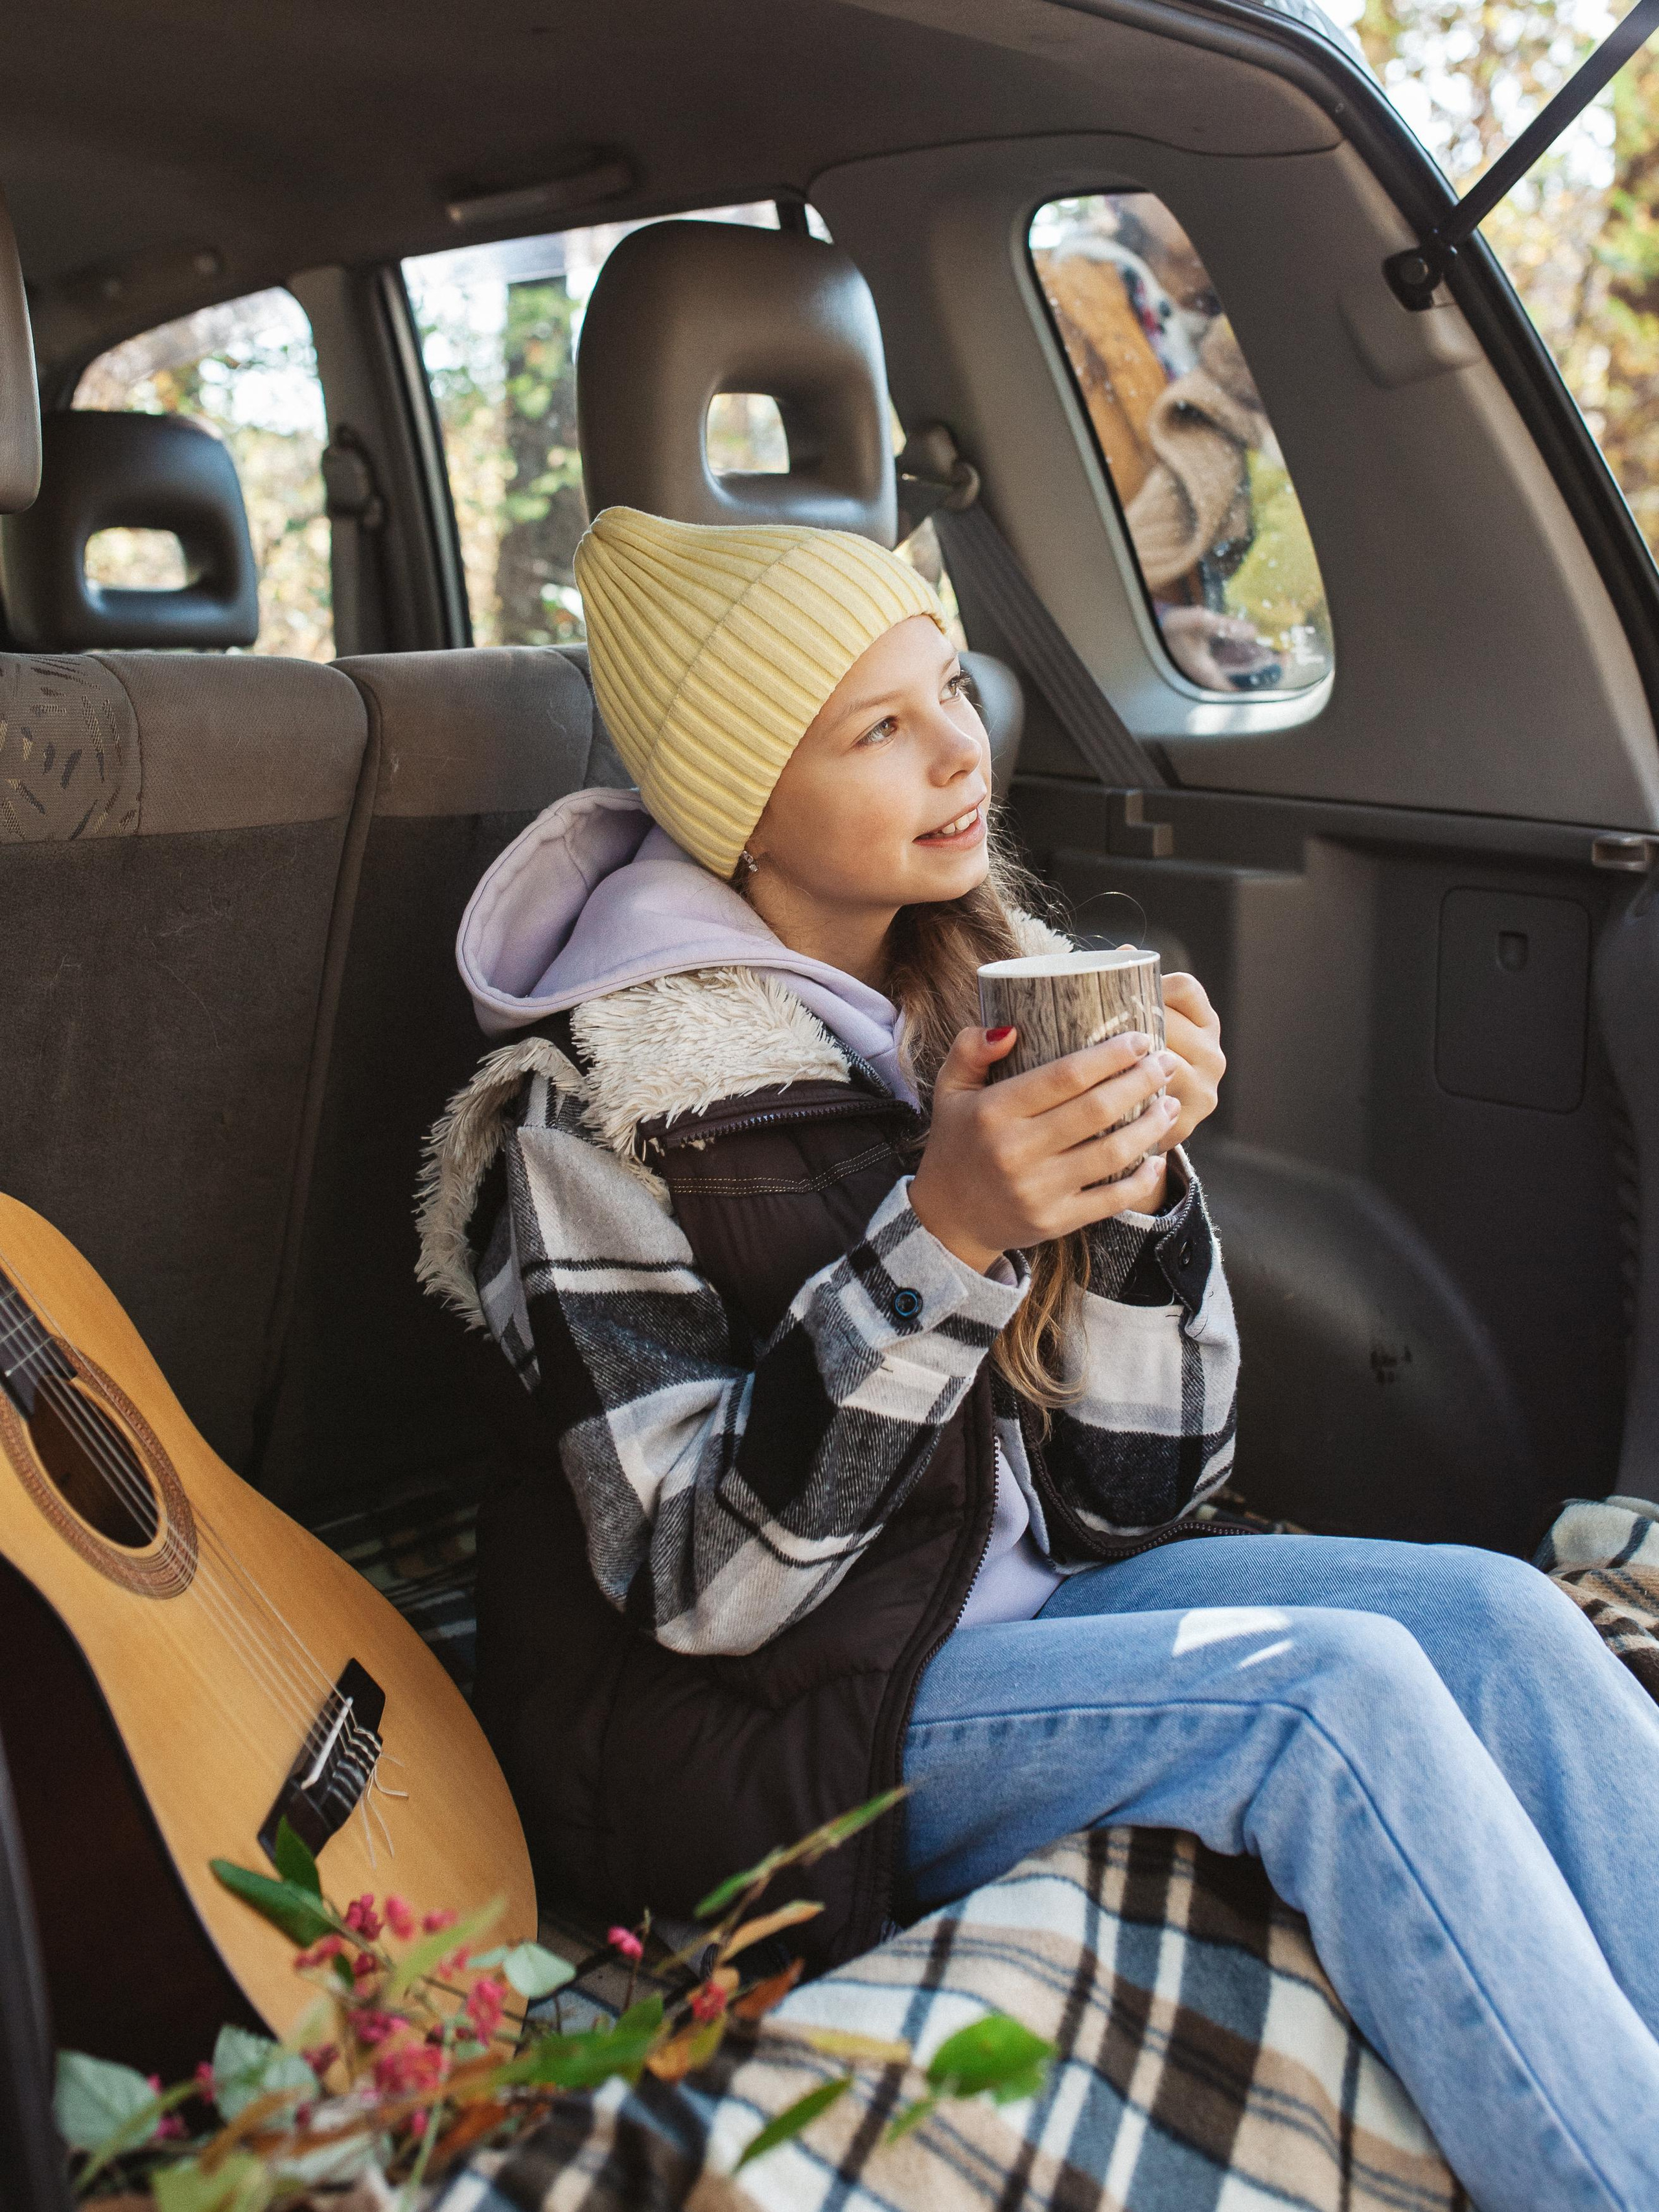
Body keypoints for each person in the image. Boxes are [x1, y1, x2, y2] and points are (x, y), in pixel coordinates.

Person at [422, 506, 1659, 2212]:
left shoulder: (961, 989)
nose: (960, 751)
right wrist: (950, 1237)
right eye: (880, 728)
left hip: (1010, 1617)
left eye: (949, 688)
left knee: (1505, 1621)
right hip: (758, 1730)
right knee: (1327, 1699)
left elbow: (1141, 1498)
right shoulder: (592, 1107)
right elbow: (705, 1587)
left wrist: (1139, 1194)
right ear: (740, 810)